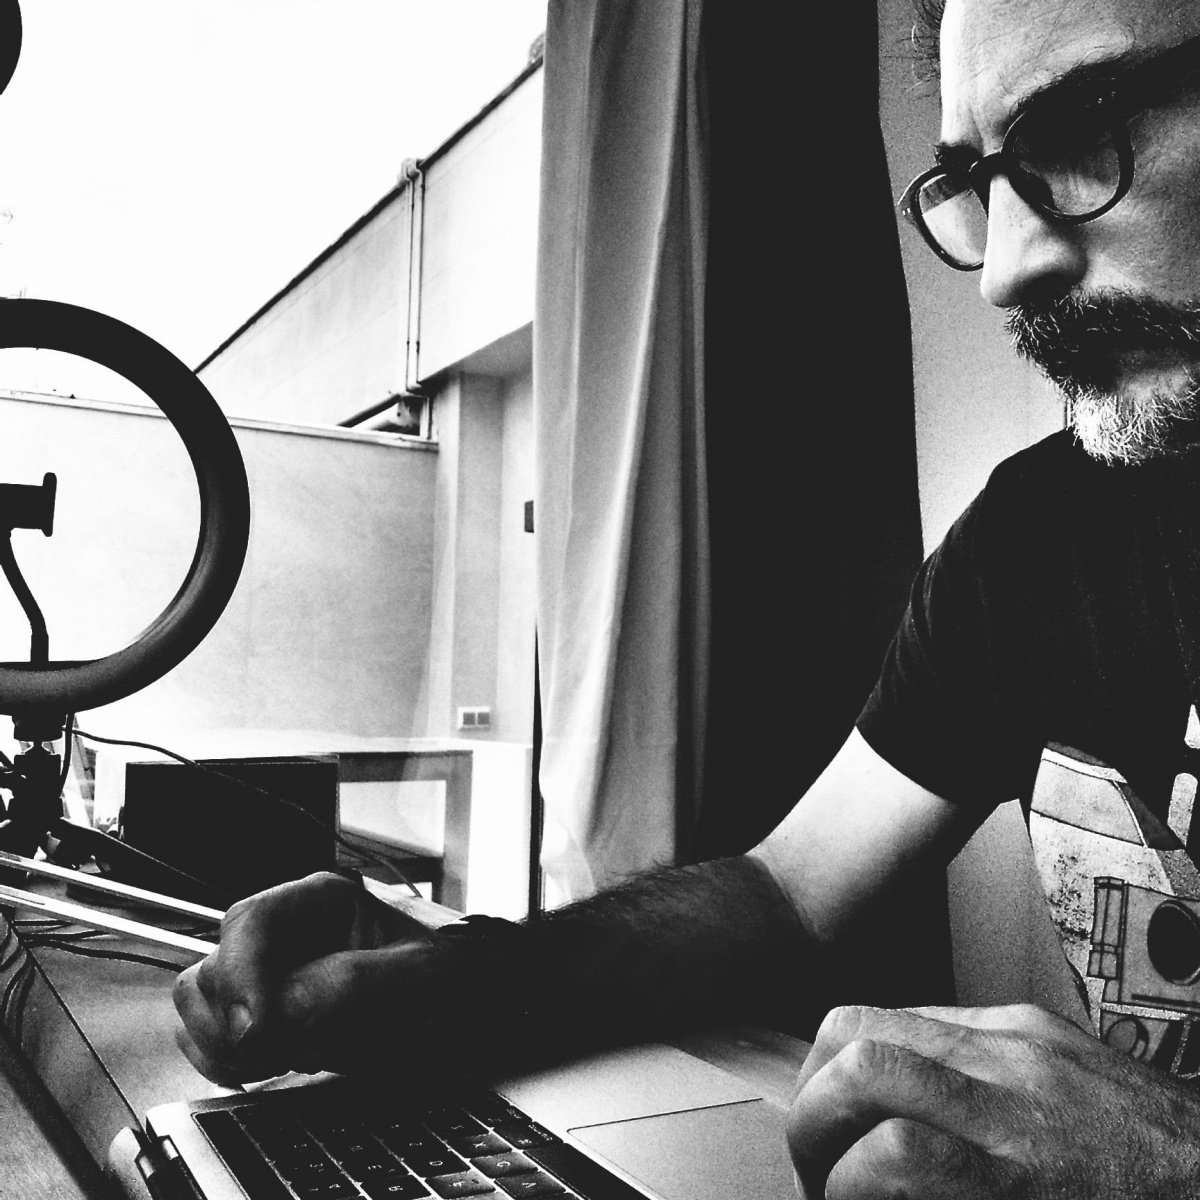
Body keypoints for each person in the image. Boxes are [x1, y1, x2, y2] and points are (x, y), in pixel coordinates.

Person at [175, 0, 1200, 1192]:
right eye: (981, 181)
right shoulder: (1039, 540)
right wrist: (458, 980)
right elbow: (786, 894)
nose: (1010, 273)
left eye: (1076, 130)